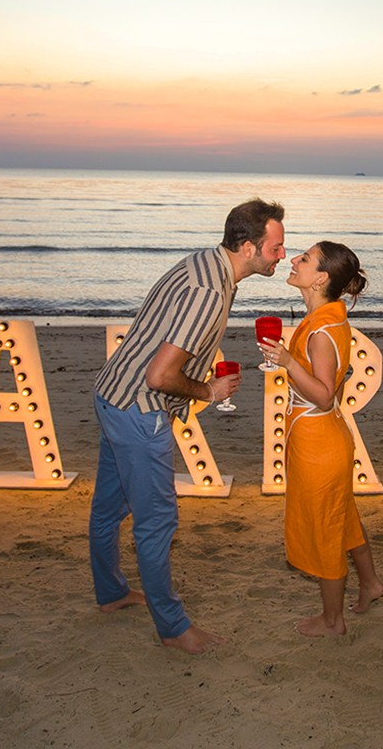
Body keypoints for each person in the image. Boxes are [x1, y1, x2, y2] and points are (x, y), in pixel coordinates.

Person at [90, 198, 285, 654]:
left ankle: (112, 594)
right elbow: (160, 376)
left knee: (108, 510)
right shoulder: (210, 292)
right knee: (157, 522)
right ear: (246, 245)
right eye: (275, 247)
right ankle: (173, 628)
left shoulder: (204, 263)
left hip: (111, 394)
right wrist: (208, 391)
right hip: (139, 411)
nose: (281, 255)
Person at [257, 240, 383, 637]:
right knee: (342, 515)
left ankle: (332, 621)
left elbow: (324, 392)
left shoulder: (321, 332)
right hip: (322, 435)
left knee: (326, 529)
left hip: (319, 443)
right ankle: (371, 584)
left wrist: (287, 361)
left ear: (322, 278)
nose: (293, 260)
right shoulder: (327, 320)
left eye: (305, 259)